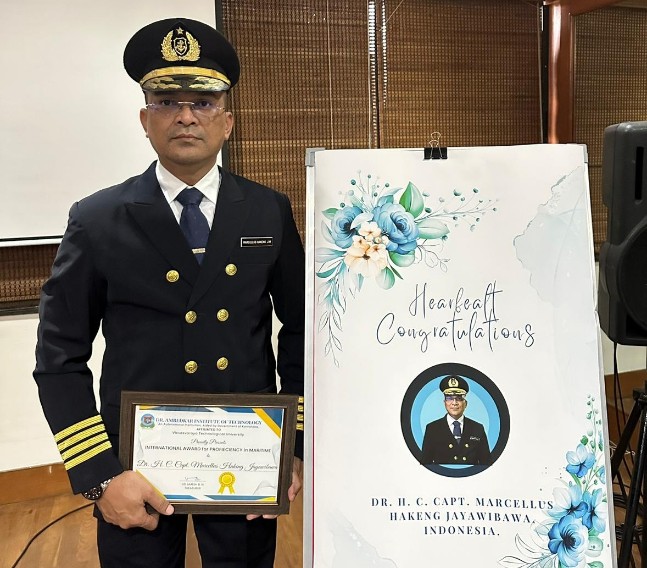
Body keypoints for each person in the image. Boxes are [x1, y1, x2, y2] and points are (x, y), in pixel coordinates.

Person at [33, 17, 304, 568]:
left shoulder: (268, 211)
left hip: (245, 458)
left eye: (203, 102)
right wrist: (99, 474)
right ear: (145, 119)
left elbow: (302, 332)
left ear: (227, 121)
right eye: (166, 101)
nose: (185, 116)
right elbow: (59, 355)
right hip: (135, 466)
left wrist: (291, 446)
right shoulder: (98, 218)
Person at [420, 375, 491, 466]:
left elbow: (486, 464)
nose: (454, 403)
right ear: (444, 403)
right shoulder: (432, 429)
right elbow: (425, 465)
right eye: (449, 398)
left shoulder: (477, 428)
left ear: (465, 404)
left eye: (459, 398)